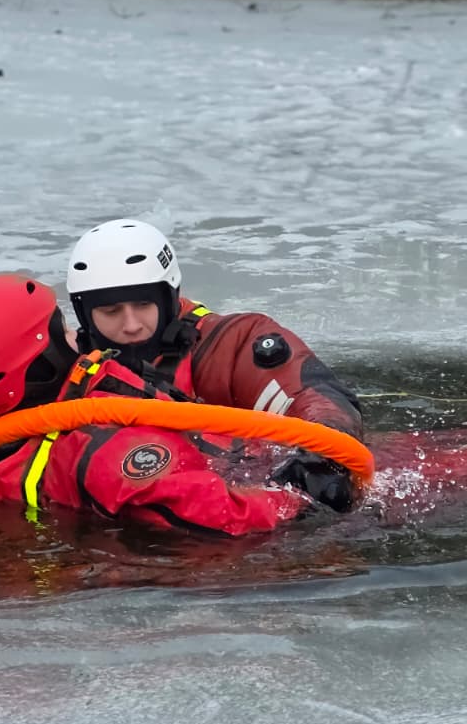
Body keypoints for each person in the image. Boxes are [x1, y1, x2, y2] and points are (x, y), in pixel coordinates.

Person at [0, 272, 322, 536]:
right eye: (62, 331)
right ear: (43, 362)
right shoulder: (110, 450)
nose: (77, 337)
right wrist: (300, 494)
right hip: (259, 484)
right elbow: (226, 515)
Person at [63, 218, 363, 512]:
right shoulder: (68, 367)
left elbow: (313, 397)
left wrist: (319, 460)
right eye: (110, 311)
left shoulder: (231, 344)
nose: (130, 325)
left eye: (143, 305)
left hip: (248, 498)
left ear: (168, 297)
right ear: (85, 314)